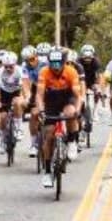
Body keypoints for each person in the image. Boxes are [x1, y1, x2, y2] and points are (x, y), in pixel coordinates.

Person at [34, 49, 82, 188]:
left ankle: (72, 142)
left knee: (71, 113)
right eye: (52, 64)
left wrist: (78, 110)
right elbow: (39, 95)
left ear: (63, 63)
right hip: (51, 99)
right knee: (49, 134)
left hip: (68, 97)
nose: (55, 67)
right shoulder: (44, 72)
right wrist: (42, 110)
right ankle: (48, 172)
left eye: (58, 64)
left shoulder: (71, 71)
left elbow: (78, 95)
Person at [0, 51, 29, 144]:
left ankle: (18, 128)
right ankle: (3, 136)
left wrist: (25, 99)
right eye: (6, 66)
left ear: (15, 64)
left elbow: (24, 88)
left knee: (17, 102)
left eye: (11, 66)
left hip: (16, 92)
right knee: (3, 117)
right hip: (4, 93)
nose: (8, 69)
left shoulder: (20, 70)